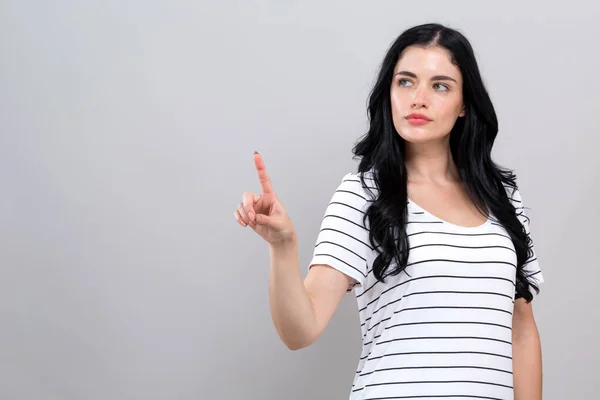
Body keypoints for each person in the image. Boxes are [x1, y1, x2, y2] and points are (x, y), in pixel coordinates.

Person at [234, 23, 544, 400]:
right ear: (389, 93)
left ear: (465, 104)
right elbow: (301, 330)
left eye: (440, 85)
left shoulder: (502, 198)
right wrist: (283, 246)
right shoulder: (364, 194)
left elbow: (521, 327)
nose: (418, 98)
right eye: (406, 82)